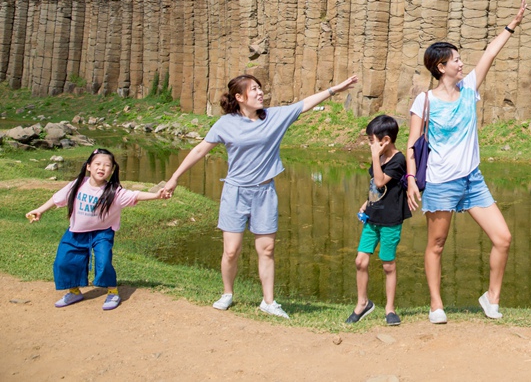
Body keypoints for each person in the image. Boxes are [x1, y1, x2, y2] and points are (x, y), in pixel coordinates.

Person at [164, 73, 358, 319]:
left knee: (266, 249)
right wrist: (174, 177)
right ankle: (227, 293)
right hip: (235, 192)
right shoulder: (226, 124)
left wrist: (335, 89)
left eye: (260, 88)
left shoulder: (274, 117)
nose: (259, 93)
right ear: (239, 97)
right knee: (231, 250)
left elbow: (306, 103)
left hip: (265, 192)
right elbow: (201, 148)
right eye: (253, 89)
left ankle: (268, 301)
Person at [406, 0, 527, 324]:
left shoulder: (469, 88)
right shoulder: (425, 100)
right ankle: (436, 305)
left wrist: (511, 25)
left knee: (503, 238)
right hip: (441, 182)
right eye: (456, 60)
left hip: (473, 179)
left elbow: (490, 52)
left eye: (461, 59)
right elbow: (413, 143)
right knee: (437, 245)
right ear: (440, 67)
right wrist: (410, 181)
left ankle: (491, 299)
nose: (462, 64)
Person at [25, 148, 171, 311]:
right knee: (63, 261)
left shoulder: (114, 191)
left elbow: (135, 195)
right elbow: (57, 198)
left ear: (112, 170)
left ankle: (112, 291)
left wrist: (157, 195)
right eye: (98, 164)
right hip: (76, 231)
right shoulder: (78, 184)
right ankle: (74, 291)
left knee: (103, 261)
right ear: (88, 166)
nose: (102, 168)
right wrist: (40, 210)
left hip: (102, 233)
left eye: (107, 165)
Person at [347, 114, 411, 326]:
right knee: (360, 260)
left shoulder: (398, 159)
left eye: (372, 141)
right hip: (372, 218)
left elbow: (381, 181)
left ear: (386, 140)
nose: (370, 145)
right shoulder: (380, 157)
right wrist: (367, 203)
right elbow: (375, 188)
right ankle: (362, 303)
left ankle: (390, 309)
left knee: (388, 265)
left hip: (391, 220)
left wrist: (375, 157)